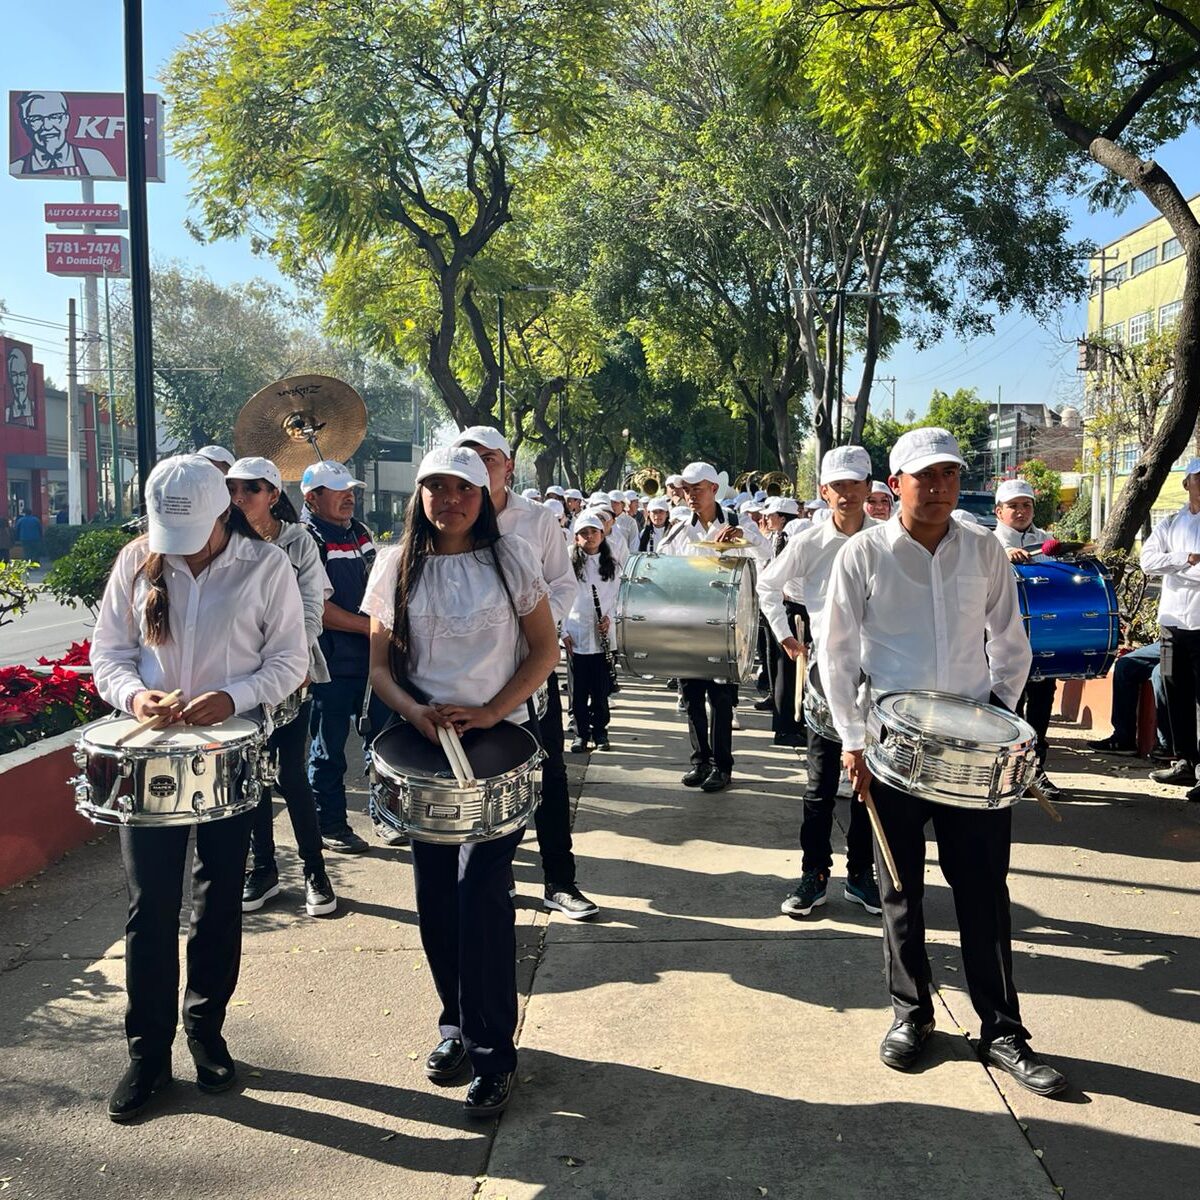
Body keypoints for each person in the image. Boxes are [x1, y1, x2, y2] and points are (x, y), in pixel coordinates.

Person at [824, 427, 1067, 1096]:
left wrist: (993, 724)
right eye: (924, 476)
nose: (938, 488)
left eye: (949, 476)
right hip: (890, 750)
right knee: (900, 890)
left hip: (972, 759)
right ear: (894, 484)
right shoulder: (864, 555)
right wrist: (851, 738)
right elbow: (837, 655)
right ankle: (912, 1014)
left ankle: (1003, 1031)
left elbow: (1010, 645)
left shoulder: (985, 550)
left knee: (984, 892)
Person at [91, 455, 308, 1122]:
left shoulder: (265, 566)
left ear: (224, 513)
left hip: (227, 752)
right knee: (149, 905)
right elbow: (109, 654)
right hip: (152, 758)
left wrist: (234, 696)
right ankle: (148, 1055)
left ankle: (205, 1029)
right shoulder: (136, 561)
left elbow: (290, 660)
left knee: (218, 898)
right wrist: (136, 695)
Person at [362, 446, 559, 1116]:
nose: (449, 500)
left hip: (499, 744)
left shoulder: (512, 560)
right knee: (436, 895)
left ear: (486, 493)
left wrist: (492, 711)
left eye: (463, 489)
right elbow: (381, 668)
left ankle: (493, 1052)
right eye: (435, 488)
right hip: (426, 752)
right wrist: (414, 710)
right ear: (418, 495)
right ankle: (455, 1024)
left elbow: (544, 650)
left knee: (482, 893)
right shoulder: (396, 565)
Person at [452, 427, 599, 919]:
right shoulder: (450, 517)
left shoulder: (536, 520)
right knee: (483, 777)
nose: (480, 465)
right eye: (469, 457)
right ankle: (500, 878)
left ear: (508, 465)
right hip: (470, 676)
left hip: (530, 672)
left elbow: (563, 583)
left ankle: (560, 881)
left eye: (489, 458)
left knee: (548, 773)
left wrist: (536, 629)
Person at [759, 447, 879, 915]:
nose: (847, 494)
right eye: (838, 486)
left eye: (856, 484)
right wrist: (788, 639)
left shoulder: (888, 538)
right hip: (826, 677)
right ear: (823, 491)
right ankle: (814, 872)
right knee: (820, 785)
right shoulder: (808, 541)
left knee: (871, 783)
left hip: (878, 679)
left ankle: (862, 874)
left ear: (870, 487)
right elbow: (769, 586)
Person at [226, 456, 338, 918]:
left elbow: (312, 607)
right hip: (239, 678)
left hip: (292, 674)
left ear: (273, 494)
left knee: (290, 775)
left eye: (250, 489)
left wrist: (296, 657)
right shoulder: (224, 542)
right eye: (232, 488)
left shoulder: (299, 543)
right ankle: (265, 868)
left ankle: (316, 871)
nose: (239, 498)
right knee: (249, 776)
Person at [658, 461, 768, 792]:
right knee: (691, 696)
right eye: (687, 490)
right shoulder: (679, 527)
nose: (690, 496)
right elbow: (664, 565)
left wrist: (743, 536)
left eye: (697, 489)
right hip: (689, 623)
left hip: (725, 624)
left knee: (720, 698)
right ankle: (699, 760)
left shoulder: (738, 521)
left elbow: (766, 552)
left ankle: (722, 765)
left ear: (714, 490)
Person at [301, 460, 390, 854]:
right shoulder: (307, 539)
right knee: (328, 751)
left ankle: (386, 817)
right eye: (337, 489)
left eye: (350, 488)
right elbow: (317, 609)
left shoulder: (359, 532)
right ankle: (331, 824)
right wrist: (370, 628)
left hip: (373, 662)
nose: (348, 495)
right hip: (332, 665)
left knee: (383, 743)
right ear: (312, 497)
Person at [992, 479, 1062, 799]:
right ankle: (1003, 774)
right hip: (1002, 641)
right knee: (1006, 707)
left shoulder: (1047, 541)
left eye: (1026, 505)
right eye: (1014, 506)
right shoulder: (989, 543)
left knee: (1041, 705)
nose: (1021, 512)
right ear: (999, 511)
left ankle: (1037, 772)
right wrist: (1004, 555)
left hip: (1041, 640)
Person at [1140, 457, 1200, 802]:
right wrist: (1187, 559)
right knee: (1172, 687)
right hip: (1171, 622)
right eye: (1197, 478)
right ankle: (1184, 759)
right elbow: (1149, 562)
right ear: (1186, 483)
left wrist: (1176, 566)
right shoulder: (1170, 522)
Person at [564, 514, 620, 752]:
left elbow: (617, 597)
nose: (589, 537)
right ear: (576, 538)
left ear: (602, 534)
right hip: (576, 632)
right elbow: (559, 597)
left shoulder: (612, 562)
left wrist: (609, 618)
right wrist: (563, 631)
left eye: (594, 532)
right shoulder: (567, 561)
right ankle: (580, 733)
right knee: (578, 691)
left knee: (600, 689)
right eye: (584, 533)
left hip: (603, 635)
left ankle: (600, 732)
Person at [1088, 641, 1172, 759]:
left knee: (1161, 672)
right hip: (1169, 643)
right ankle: (1123, 740)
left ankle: (1168, 744)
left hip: (1189, 643)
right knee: (1125, 665)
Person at [9, 91, 117, 177]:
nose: (47, 126)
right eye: (36, 119)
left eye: (55, 117)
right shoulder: (18, 167)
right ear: (26, 124)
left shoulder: (92, 158)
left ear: (66, 119)